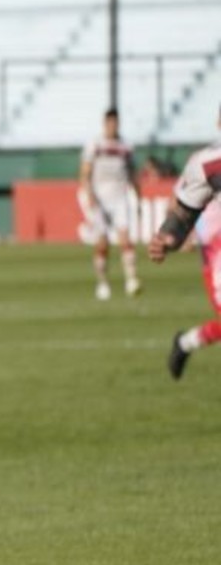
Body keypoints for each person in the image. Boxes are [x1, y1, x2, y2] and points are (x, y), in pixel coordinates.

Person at [149, 105, 221, 379]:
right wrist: (171, 235)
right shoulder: (208, 162)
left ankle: (186, 342)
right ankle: (185, 343)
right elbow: (184, 209)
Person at [79, 108, 140, 300]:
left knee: (125, 238)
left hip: (121, 196)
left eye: (116, 122)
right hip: (100, 197)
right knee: (102, 243)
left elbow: (132, 173)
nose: (113, 126)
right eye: (110, 123)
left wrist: (138, 196)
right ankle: (103, 283)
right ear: (105, 123)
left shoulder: (126, 146)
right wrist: (89, 194)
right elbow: (85, 172)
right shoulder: (95, 144)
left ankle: (131, 279)